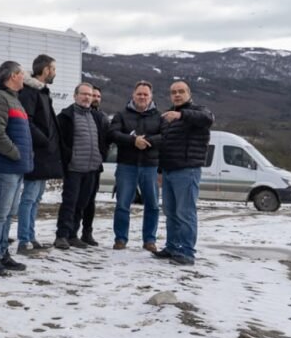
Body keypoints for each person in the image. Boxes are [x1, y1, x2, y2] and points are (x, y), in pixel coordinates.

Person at [154, 80, 214, 265]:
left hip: (187, 171)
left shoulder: (199, 111)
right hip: (169, 171)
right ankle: (172, 247)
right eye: (173, 92)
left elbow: (208, 119)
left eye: (181, 91)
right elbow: (164, 145)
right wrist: (160, 170)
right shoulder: (168, 118)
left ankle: (187, 252)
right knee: (171, 212)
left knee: (185, 213)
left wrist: (181, 115)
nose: (177, 95)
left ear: (189, 93)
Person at [0, 61, 33, 275]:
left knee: (9, 213)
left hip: (15, 167)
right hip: (5, 166)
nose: (25, 77)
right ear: (13, 75)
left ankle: (3, 252)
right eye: (22, 74)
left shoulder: (14, 99)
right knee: (0, 213)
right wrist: (16, 153)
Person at [15, 54, 62, 255]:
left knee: (36, 199)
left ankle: (31, 237)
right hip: (36, 153)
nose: (54, 73)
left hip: (44, 154)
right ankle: (23, 240)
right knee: (29, 198)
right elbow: (28, 122)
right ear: (45, 70)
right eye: (53, 69)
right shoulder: (30, 93)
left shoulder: (42, 92)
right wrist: (45, 140)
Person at [109, 81, 162, 251]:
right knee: (123, 204)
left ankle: (149, 240)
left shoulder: (159, 116)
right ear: (133, 95)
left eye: (146, 94)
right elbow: (113, 134)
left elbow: (166, 136)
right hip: (127, 166)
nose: (142, 97)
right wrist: (133, 140)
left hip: (150, 166)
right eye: (139, 94)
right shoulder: (121, 114)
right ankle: (120, 239)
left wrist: (147, 142)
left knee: (152, 205)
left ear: (151, 97)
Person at [53, 83, 105, 249]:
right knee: (69, 203)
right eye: (83, 94)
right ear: (75, 96)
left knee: (82, 204)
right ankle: (61, 235)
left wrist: (100, 157)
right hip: (74, 168)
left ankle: (73, 235)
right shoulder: (66, 116)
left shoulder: (96, 117)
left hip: (92, 168)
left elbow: (103, 140)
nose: (87, 97)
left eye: (89, 95)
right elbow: (59, 143)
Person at [79, 85, 108, 245]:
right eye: (93, 95)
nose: (95, 98)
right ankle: (71, 232)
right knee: (77, 199)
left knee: (90, 200)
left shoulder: (103, 117)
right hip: (80, 163)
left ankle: (87, 232)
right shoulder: (82, 114)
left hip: (96, 164)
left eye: (98, 96)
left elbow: (107, 139)